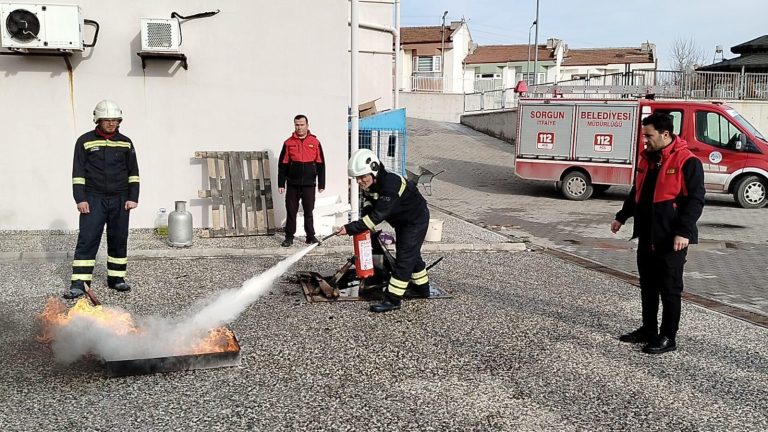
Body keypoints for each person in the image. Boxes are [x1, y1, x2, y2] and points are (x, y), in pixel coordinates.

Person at [611, 112, 705, 354]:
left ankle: (668, 337)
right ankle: (648, 330)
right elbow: (637, 191)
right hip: (647, 234)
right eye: (644, 136)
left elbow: (695, 200)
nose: (645, 140)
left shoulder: (687, 161)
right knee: (648, 286)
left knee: (670, 288)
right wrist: (622, 216)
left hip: (671, 238)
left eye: (649, 135)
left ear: (665, 134)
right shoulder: (647, 159)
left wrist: (683, 232)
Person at [336, 148, 431, 313]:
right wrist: (365, 225)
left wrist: (350, 228)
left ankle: (392, 299)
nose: (359, 181)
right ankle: (423, 289)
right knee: (411, 253)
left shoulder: (390, 186)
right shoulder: (373, 184)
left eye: (362, 177)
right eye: (357, 178)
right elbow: (368, 204)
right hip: (402, 222)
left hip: (415, 220)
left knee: (404, 259)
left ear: (374, 170)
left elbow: (376, 216)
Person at [63, 100, 140, 299]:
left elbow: (133, 173)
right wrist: (80, 198)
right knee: (87, 239)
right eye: (107, 120)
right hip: (93, 198)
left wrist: (133, 197)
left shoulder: (126, 142)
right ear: (98, 120)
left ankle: (117, 279)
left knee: (118, 238)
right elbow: (78, 172)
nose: (111, 124)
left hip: (121, 199)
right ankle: (79, 283)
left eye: (115, 120)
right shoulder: (85, 141)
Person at [277, 114, 325, 247]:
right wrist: (281, 183)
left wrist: (321, 183)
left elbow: (321, 164)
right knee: (291, 211)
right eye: (297, 125)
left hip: (309, 184)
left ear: (307, 125)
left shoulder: (315, 142)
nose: (299, 127)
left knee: (309, 211)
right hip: (293, 184)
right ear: (294, 126)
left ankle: (310, 236)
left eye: (302, 124)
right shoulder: (288, 143)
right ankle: (289, 237)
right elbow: (283, 164)